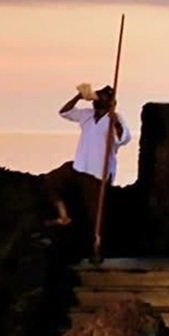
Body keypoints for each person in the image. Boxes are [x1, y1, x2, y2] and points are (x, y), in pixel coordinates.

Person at [47, 82, 131, 230]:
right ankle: (63, 215)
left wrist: (114, 119)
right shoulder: (87, 114)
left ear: (110, 103)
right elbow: (65, 112)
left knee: (95, 213)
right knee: (52, 181)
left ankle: (97, 241)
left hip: (98, 173)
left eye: (101, 99)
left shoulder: (116, 119)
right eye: (96, 99)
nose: (96, 101)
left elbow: (123, 138)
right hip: (79, 166)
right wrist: (79, 96)